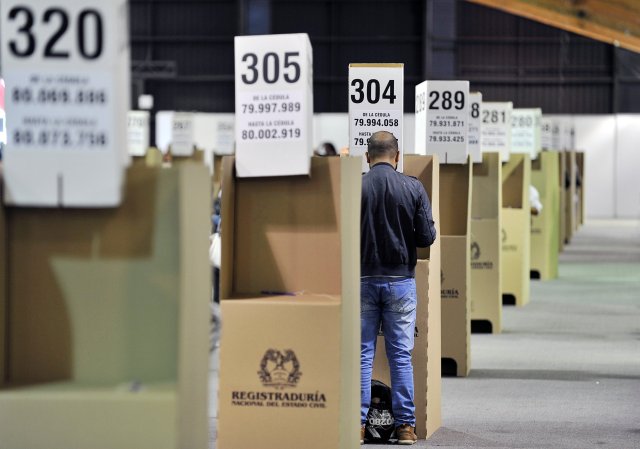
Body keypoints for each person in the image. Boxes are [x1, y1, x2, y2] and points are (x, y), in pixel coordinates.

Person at [360, 131, 437, 445]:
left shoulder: (354, 186)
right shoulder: (413, 186)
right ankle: (405, 427)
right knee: (400, 356)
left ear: (367, 157)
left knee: (363, 356)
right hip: (401, 283)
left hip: (362, 280)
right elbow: (426, 238)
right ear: (396, 156)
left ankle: (357, 426)